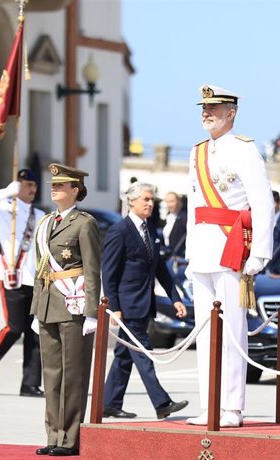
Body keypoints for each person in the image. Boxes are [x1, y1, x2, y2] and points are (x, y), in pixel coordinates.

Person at [185, 84, 274, 428]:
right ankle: (210, 404)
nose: (206, 113)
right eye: (204, 108)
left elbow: (262, 203)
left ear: (231, 113)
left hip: (231, 247)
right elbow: (195, 205)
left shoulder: (245, 150)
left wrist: (259, 252)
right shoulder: (196, 152)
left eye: (214, 108)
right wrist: (190, 254)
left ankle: (232, 407)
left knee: (233, 331)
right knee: (204, 331)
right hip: (203, 250)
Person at [101, 182, 189, 420]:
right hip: (128, 306)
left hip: (144, 303)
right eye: (146, 200)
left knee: (124, 355)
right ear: (132, 201)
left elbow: (160, 269)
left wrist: (175, 298)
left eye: (152, 200)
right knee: (143, 352)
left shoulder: (150, 229)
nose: (151, 204)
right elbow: (108, 273)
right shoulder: (119, 231)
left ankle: (109, 403)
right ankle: (162, 403)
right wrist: (114, 308)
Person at [31, 163, 101, 457]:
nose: (54, 188)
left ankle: (70, 438)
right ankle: (53, 434)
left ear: (75, 190)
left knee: (73, 375)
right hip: (48, 304)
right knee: (52, 375)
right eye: (53, 185)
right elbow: (40, 268)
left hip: (73, 305)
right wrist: (36, 308)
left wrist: (92, 312)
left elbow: (92, 270)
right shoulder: (46, 223)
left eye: (61, 185)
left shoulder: (85, 224)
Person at [0, 169, 45, 397]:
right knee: (14, 328)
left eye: (34, 185)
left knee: (34, 332)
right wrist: (7, 192)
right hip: (11, 276)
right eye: (27, 185)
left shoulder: (40, 215)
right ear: (18, 185)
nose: (32, 190)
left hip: (33, 279)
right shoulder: (4, 210)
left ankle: (30, 384)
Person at [161, 191, 187, 259]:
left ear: (178, 202)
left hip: (180, 258)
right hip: (168, 256)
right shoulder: (168, 217)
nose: (170, 204)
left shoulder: (184, 217)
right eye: (168, 202)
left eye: (172, 201)